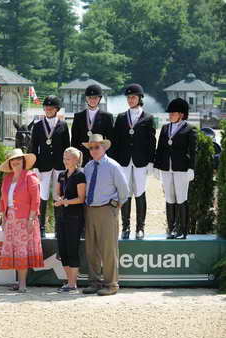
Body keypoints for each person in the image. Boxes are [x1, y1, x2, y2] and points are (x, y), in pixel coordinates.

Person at [82, 134, 129, 296]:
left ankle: (111, 284)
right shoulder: (87, 167)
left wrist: (114, 208)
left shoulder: (113, 166)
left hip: (106, 210)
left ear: (104, 148)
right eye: (91, 147)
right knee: (91, 248)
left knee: (108, 248)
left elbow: (124, 192)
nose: (93, 150)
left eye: (97, 147)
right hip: (90, 210)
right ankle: (94, 282)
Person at [111, 83, 156, 240]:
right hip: (123, 161)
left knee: (140, 192)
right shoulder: (122, 117)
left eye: (133, 97)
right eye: (129, 97)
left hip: (141, 161)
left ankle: (140, 228)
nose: (130, 100)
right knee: (125, 193)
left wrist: (151, 161)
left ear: (139, 98)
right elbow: (115, 141)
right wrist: (114, 162)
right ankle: (126, 227)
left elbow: (152, 141)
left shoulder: (148, 118)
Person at [0, 148, 43, 293]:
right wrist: (3, 217)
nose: (16, 162)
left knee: (22, 251)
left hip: (25, 219)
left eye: (19, 160)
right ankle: (18, 281)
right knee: (15, 250)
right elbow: (2, 199)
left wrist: (31, 218)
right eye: (13, 160)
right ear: (10, 163)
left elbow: (36, 200)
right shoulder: (7, 178)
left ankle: (22, 283)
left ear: (23, 162)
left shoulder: (30, 177)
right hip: (10, 219)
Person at [154, 98, 197, 239]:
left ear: (182, 114)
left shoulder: (190, 129)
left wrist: (192, 168)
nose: (170, 115)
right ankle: (171, 229)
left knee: (181, 198)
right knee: (169, 198)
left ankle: (182, 230)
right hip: (167, 168)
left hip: (182, 169)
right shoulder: (165, 128)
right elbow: (160, 148)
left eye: (173, 113)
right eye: (170, 113)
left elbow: (193, 150)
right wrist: (156, 166)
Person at [29, 95, 70, 238]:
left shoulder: (63, 125)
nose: (48, 110)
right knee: (43, 195)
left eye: (51, 108)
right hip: (43, 165)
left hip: (59, 165)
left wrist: (67, 166)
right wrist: (34, 166)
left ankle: (59, 227)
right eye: (46, 107)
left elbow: (67, 147)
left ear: (56, 109)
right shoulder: (38, 126)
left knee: (58, 196)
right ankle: (41, 227)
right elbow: (33, 147)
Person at [53, 147, 86, 294]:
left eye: (68, 158)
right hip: (61, 216)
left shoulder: (80, 175)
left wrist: (66, 202)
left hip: (74, 217)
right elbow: (56, 192)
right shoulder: (61, 175)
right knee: (63, 250)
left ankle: (73, 284)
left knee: (72, 249)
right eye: (64, 157)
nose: (65, 160)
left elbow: (81, 198)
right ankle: (69, 282)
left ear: (76, 160)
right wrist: (58, 199)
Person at [71, 84, 114, 166]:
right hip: (83, 157)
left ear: (100, 99)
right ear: (86, 98)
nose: (92, 100)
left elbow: (110, 139)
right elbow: (74, 140)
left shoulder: (107, 117)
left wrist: (109, 159)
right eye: (89, 97)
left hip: (100, 156)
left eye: (95, 98)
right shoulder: (78, 116)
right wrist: (76, 158)